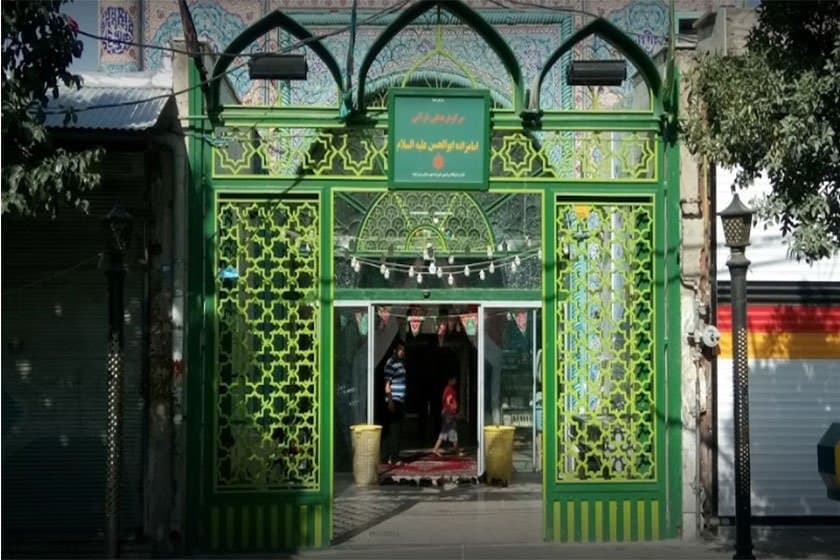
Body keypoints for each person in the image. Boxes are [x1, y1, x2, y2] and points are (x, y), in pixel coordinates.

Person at [383, 340, 407, 465]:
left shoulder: (400, 363)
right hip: (394, 400)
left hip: (399, 400)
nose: (402, 352)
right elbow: (387, 385)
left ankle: (387, 455)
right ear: (395, 350)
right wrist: (390, 401)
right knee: (394, 429)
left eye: (403, 350)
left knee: (393, 429)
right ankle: (394, 457)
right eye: (400, 350)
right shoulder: (391, 363)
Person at [432, 373, 458, 456]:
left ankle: (455, 448)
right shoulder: (449, 390)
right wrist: (452, 410)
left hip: (448, 413)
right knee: (448, 431)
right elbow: (448, 401)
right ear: (450, 380)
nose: (455, 381)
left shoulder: (448, 389)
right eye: (453, 380)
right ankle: (436, 448)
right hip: (448, 414)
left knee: (449, 431)